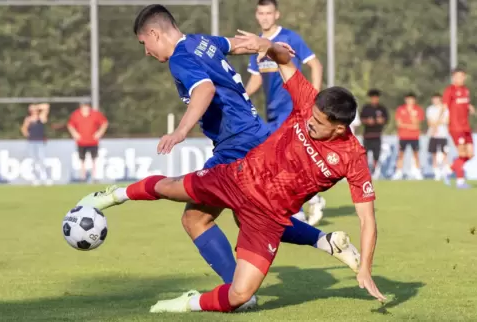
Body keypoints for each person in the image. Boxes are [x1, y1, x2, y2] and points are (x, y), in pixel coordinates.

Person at [76, 37, 385, 313]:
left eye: (319, 122)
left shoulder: (353, 158)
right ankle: (115, 195)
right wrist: (266, 45)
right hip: (236, 178)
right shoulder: (308, 102)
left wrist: (366, 269)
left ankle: (189, 302)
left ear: (340, 128)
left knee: (240, 294)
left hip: (267, 217)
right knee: (169, 188)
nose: (310, 123)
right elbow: (284, 60)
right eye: (312, 116)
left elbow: (367, 220)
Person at [125, 4, 358, 310]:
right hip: (253, 135)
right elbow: (237, 44)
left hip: (236, 146)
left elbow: (204, 90)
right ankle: (324, 241)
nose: (146, 52)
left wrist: (181, 131)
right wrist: (272, 47)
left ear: (155, 33)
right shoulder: (200, 41)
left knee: (196, 218)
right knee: (254, 214)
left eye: (145, 44)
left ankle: (238, 290)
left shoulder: (180, 58)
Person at [245, 0, 325, 224]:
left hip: (292, 107)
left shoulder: (290, 38)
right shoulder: (258, 44)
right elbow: (256, 78)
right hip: (271, 112)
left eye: (269, 13)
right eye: (261, 13)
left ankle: (295, 210)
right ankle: (312, 197)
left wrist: (312, 99)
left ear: (276, 15)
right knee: (285, 158)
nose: (265, 17)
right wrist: (240, 95)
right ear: (257, 15)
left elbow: (315, 65)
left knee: (285, 157)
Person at [443, 68, 475, 188]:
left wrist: (469, 107)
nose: (461, 78)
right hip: (456, 127)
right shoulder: (450, 90)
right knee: (462, 153)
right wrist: (444, 119)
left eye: (462, 76)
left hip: (466, 126)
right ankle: (460, 181)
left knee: (470, 154)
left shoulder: (466, 90)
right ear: (454, 78)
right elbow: (445, 106)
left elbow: (464, 103)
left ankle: (449, 171)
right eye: (458, 76)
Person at [67, 103, 109, 182]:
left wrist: (99, 133)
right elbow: (70, 125)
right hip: (81, 142)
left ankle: (94, 177)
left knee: (94, 159)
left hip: (93, 141)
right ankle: (83, 177)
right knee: (82, 159)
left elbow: (104, 123)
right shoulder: (76, 114)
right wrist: (75, 134)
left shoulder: (95, 114)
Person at [392, 93, 424, 180]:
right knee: (401, 154)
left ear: (414, 100)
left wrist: (407, 124)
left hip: (414, 136)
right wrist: (410, 126)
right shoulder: (400, 109)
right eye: (408, 99)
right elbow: (399, 124)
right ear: (405, 100)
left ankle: (417, 172)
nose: (410, 101)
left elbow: (417, 125)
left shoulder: (418, 110)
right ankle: (398, 172)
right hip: (403, 136)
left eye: (412, 99)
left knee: (416, 154)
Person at [360, 89, 389, 179]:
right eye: (373, 97)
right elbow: (362, 119)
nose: (374, 99)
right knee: (365, 155)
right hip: (367, 135)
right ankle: (366, 171)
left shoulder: (382, 108)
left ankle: (376, 172)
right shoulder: (366, 108)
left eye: (376, 97)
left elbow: (386, 119)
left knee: (377, 155)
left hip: (377, 135)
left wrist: (381, 120)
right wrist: (368, 121)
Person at [20, 103, 51, 186]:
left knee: (42, 159)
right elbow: (23, 128)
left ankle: (46, 177)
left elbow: (46, 106)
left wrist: (36, 107)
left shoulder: (41, 117)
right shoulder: (28, 119)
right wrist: (27, 134)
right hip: (31, 142)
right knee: (34, 161)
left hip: (40, 141)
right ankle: (36, 178)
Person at [426, 93, 450, 181]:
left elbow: (446, 120)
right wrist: (434, 125)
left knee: (444, 153)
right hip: (432, 134)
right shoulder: (429, 109)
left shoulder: (445, 109)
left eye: (437, 99)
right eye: (433, 99)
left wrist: (436, 124)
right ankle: (436, 172)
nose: (435, 100)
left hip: (442, 134)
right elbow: (429, 122)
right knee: (434, 153)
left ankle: (446, 171)